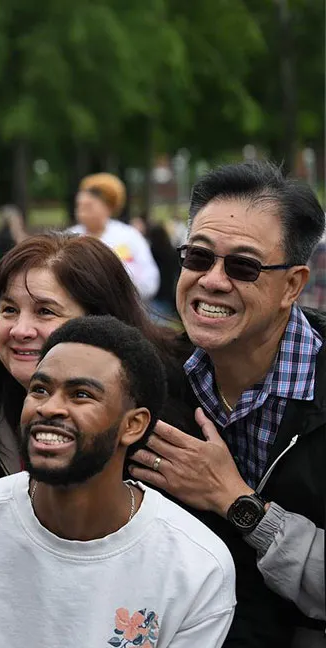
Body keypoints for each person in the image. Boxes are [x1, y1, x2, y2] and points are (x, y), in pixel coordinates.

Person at [0, 316, 236, 647]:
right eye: (40, 390)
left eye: (81, 394)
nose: (50, 408)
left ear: (133, 425)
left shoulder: (195, 566)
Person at [128, 161, 326, 646]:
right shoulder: (153, 377)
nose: (212, 280)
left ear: (293, 285)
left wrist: (237, 502)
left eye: (243, 266)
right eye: (198, 257)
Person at [0, 232, 192, 497]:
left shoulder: (165, 422)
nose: (20, 330)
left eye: (45, 311)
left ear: (102, 320)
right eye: (9, 309)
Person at [69, 172, 160, 301]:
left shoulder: (129, 236)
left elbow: (150, 281)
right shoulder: (69, 238)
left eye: (89, 206)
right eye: (79, 206)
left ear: (108, 207)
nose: (81, 211)